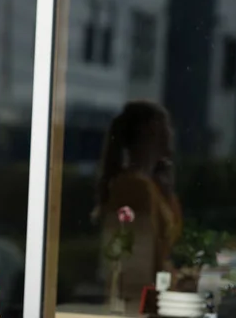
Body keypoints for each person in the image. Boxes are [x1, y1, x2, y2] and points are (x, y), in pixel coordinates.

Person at [94, 100, 182, 314]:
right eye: (165, 125)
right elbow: (136, 261)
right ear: (150, 132)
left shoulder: (152, 186)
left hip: (150, 298)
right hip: (136, 303)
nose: (171, 132)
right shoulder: (134, 187)